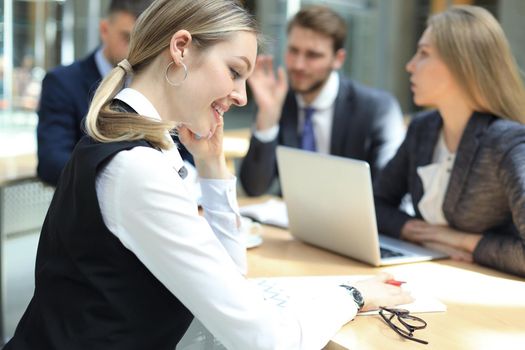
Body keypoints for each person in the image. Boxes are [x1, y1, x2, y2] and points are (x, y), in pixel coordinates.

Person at [5, 0, 412, 349]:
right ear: (181, 48)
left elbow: (228, 275)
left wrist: (213, 166)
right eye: (235, 72)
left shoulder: (129, 137)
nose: (242, 95)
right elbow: (265, 340)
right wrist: (352, 295)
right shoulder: (137, 167)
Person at [374, 5, 525, 278]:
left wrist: (460, 240)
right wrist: (412, 230)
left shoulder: (507, 143)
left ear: (462, 65)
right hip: (432, 274)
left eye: (424, 54)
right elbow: (377, 204)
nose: (410, 65)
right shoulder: (423, 128)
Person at [239, 5, 405, 196]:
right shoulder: (279, 100)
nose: (298, 64)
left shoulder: (377, 110)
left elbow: (387, 194)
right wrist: (267, 116)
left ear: (338, 59)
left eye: (313, 55)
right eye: (293, 51)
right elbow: (254, 188)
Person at [36, 0, 193, 186]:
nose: (137, 50)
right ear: (104, 30)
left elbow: (185, 152)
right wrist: (128, 184)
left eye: (145, 41)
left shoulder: (165, 83)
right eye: (127, 38)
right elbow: (52, 163)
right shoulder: (63, 82)